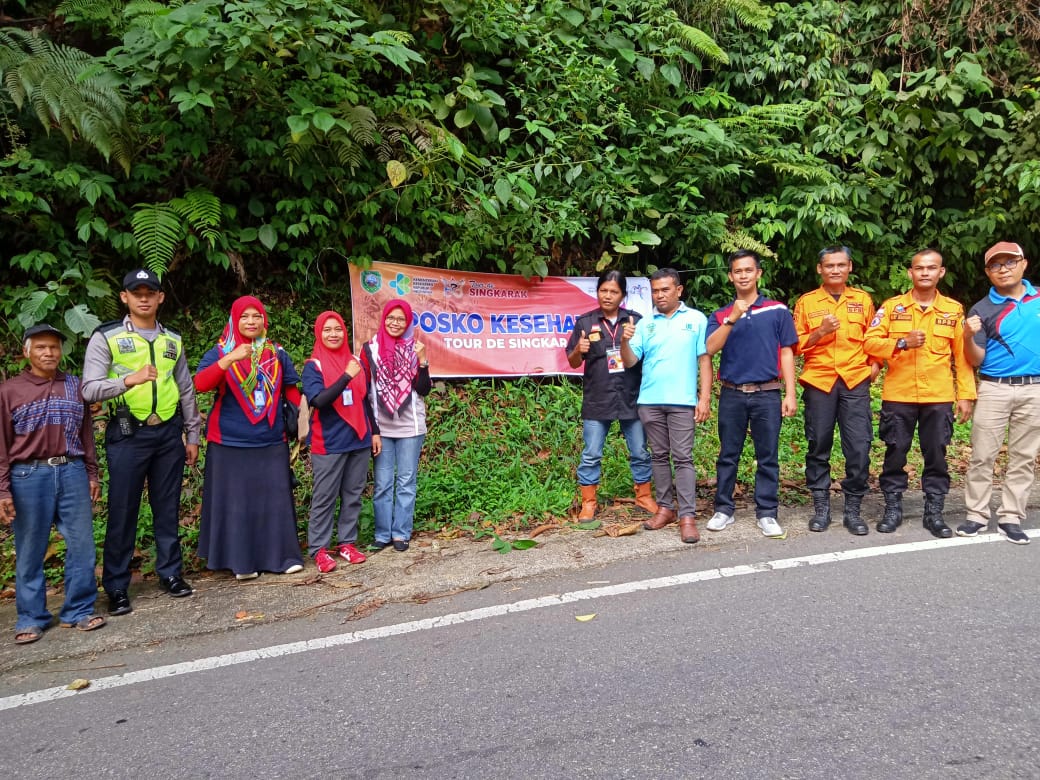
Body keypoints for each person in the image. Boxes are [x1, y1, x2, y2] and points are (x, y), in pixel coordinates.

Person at [82, 269, 201, 616]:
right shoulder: (108, 337)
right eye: (137, 293)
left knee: (167, 507)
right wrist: (127, 381)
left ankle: (170, 573)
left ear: (161, 297)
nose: (144, 298)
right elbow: (89, 388)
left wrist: (192, 433)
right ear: (125, 297)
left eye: (151, 292)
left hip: (167, 433)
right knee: (123, 510)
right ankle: (117, 586)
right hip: (127, 434)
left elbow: (186, 388)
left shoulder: (172, 340)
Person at [1, 324, 106, 644]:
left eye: (54, 348)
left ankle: (79, 610)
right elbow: (2, 445)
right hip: (28, 476)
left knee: (82, 545)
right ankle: (31, 617)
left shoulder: (76, 386)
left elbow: (86, 434)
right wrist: (2, 489)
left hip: (72, 471)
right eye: (41, 347)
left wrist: (92, 473)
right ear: (27, 352)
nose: (49, 353)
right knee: (30, 549)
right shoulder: (9, 391)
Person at [863, 249, 976, 537]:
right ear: (910, 273)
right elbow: (870, 342)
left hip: (937, 396)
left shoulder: (953, 310)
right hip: (899, 394)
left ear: (941, 273)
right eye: (919, 268)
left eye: (931, 268)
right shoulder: (892, 307)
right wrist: (901, 342)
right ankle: (892, 508)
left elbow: (962, 357)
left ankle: (934, 513)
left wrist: (965, 395)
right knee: (895, 453)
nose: (925, 272)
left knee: (936, 454)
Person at [194, 296, 305, 578]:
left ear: (264, 320)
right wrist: (231, 359)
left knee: (275, 500)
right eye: (245, 317)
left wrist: (299, 423)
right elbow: (201, 384)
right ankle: (242, 563)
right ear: (234, 320)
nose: (251, 321)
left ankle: (282, 557)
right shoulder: (220, 351)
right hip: (230, 442)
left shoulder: (276, 353)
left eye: (257, 316)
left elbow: (290, 389)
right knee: (237, 503)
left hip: (270, 439)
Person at [705, 250, 799, 538]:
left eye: (748, 270)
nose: (743, 275)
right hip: (732, 393)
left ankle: (767, 512)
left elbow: (786, 352)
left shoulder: (777, 310)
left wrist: (790, 393)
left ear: (758, 273)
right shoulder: (720, 314)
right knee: (728, 454)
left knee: (767, 455)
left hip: (767, 392)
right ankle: (723, 509)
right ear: (730, 276)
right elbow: (709, 349)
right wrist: (732, 318)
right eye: (737, 271)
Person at [620, 268, 712, 544]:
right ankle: (665, 509)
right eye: (655, 291)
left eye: (665, 290)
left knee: (683, 458)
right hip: (650, 401)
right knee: (659, 456)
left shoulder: (696, 319)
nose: (659, 295)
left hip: (683, 402)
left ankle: (687, 516)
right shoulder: (645, 323)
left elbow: (704, 359)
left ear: (679, 290)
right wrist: (625, 340)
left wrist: (704, 398)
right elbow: (629, 362)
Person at [792, 246, 880, 535]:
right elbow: (795, 346)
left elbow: (875, 337)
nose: (835, 270)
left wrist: (876, 364)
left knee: (858, 446)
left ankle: (853, 510)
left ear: (850, 267)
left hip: (855, 380)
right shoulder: (806, 302)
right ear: (820, 269)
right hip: (820, 381)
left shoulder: (863, 300)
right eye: (829, 265)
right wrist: (820, 332)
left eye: (841, 265)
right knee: (818, 444)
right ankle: (821, 508)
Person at [959, 241, 1040, 544]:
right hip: (994, 388)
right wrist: (967, 336)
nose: (1003, 269)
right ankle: (976, 515)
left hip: (1035, 388)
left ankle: (1010, 516)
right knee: (982, 454)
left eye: (1009, 262)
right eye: (995, 265)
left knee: (1024, 456)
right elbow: (976, 359)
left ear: (1023, 264)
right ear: (987, 272)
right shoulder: (982, 308)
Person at [566, 270, 656, 520]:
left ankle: (644, 495)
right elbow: (573, 363)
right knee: (591, 453)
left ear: (623, 295)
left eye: (613, 291)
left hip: (631, 397)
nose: (607, 296)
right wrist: (578, 350)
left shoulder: (636, 321)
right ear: (597, 293)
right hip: (598, 398)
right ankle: (589, 501)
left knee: (639, 450)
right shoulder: (585, 323)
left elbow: (646, 359)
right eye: (603, 290)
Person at [303, 311, 379, 572]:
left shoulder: (356, 361)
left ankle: (347, 542)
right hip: (329, 442)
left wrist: (374, 432)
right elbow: (319, 401)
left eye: (337, 329)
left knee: (353, 495)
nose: (333, 334)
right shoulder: (314, 366)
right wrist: (346, 376)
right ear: (319, 334)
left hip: (358, 439)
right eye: (327, 330)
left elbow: (365, 400)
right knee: (324, 497)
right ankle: (319, 549)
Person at [362, 299, 431, 552]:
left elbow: (423, 389)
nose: (395, 323)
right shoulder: (370, 348)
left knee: (406, 482)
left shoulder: (415, 348)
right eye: (391, 318)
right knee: (382, 483)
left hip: (411, 428)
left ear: (408, 323)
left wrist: (422, 360)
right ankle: (382, 534)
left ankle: (401, 533)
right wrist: (374, 430)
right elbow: (364, 392)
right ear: (384, 319)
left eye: (401, 319)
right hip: (382, 428)